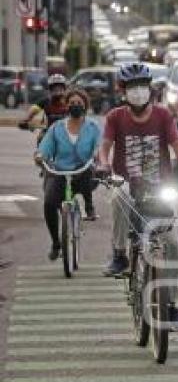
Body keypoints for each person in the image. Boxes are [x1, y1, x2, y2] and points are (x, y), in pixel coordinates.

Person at [98, 62, 178, 329]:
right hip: (127, 183)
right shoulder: (115, 117)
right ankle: (120, 254)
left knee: (174, 246)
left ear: (150, 89)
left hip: (159, 187)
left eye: (142, 86)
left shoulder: (163, 116)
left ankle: (171, 305)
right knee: (118, 192)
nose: (138, 92)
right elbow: (105, 147)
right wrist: (103, 165)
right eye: (132, 87)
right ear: (123, 91)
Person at [36, 88, 101, 259]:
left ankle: (89, 206)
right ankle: (56, 244)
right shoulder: (57, 128)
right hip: (59, 173)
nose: (75, 106)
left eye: (79, 103)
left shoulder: (93, 127)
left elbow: (99, 147)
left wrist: (97, 155)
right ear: (66, 106)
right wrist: (40, 156)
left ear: (85, 106)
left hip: (83, 172)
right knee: (49, 202)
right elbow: (45, 149)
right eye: (72, 103)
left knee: (88, 173)